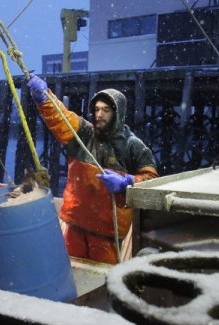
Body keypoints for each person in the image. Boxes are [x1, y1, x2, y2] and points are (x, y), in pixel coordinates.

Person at [26, 75, 158, 264]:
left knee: (102, 281)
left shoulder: (133, 146)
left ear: (118, 112)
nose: (99, 115)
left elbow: (151, 180)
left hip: (107, 232)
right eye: (96, 109)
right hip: (75, 224)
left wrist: (127, 182)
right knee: (69, 272)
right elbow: (61, 118)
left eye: (105, 110)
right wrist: (45, 98)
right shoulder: (84, 133)